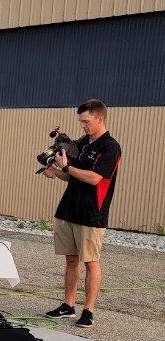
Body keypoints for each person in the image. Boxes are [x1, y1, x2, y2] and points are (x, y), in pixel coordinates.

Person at [42, 99, 122, 328]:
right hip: (69, 209)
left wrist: (67, 167)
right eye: (81, 121)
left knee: (91, 262)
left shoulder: (110, 147)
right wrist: (56, 171)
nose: (83, 126)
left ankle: (88, 311)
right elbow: (71, 175)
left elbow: (95, 178)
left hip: (91, 213)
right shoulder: (82, 143)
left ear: (99, 118)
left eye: (86, 121)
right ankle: (68, 306)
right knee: (70, 260)